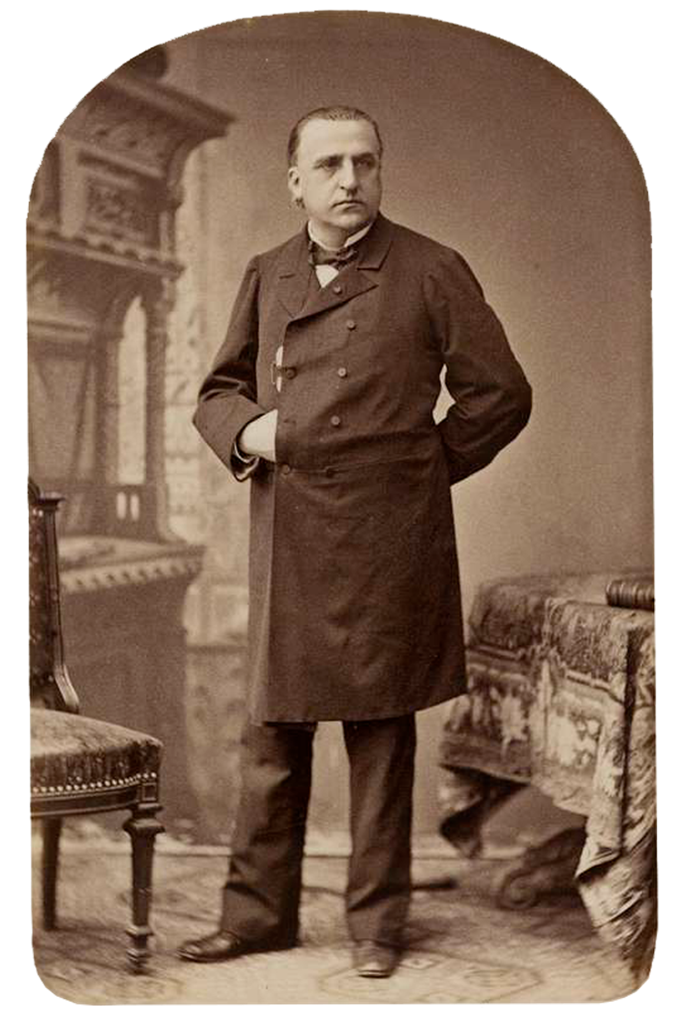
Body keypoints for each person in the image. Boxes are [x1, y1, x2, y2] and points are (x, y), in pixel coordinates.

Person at [179, 105, 532, 977]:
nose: (349, 180)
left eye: (364, 163)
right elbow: (217, 390)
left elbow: (500, 394)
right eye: (330, 164)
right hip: (290, 528)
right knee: (272, 732)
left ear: (379, 173)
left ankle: (377, 925)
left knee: (379, 733)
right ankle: (257, 916)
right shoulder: (266, 273)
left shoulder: (430, 268)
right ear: (294, 181)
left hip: (388, 537)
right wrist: (248, 432)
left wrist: (419, 470)